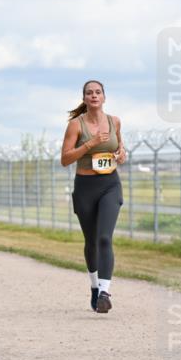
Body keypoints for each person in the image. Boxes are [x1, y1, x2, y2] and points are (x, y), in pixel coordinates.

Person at [60, 80, 127, 313]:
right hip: (86, 186)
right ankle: (95, 287)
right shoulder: (75, 125)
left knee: (104, 238)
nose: (94, 96)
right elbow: (65, 159)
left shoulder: (114, 121)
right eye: (89, 93)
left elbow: (121, 149)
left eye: (98, 92)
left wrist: (121, 154)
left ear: (104, 97)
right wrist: (90, 143)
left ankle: (105, 293)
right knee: (91, 242)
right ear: (84, 98)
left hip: (110, 184)